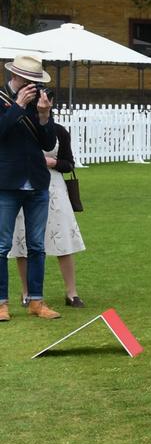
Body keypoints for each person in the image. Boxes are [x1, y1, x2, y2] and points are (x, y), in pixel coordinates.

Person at [9, 88, 85, 308]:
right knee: (22, 240)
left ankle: (71, 292)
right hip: (24, 185)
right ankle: (26, 292)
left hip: (54, 188)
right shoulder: (19, 127)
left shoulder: (59, 131)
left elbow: (68, 163)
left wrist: (52, 163)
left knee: (63, 239)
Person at [0, 55, 59, 322]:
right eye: (31, 80)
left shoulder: (39, 102)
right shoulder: (2, 99)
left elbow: (47, 144)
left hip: (36, 182)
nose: (35, 86)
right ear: (17, 77)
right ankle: (1, 304)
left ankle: (36, 301)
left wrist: (45, 115)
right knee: (1, 246)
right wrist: (17, 106)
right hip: (6, 182)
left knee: (37, 246)